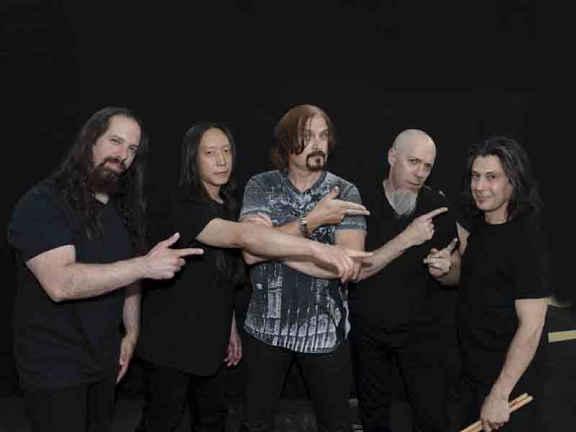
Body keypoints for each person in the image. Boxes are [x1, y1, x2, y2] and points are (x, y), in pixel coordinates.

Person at [135, 121, 370, 432]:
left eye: (226, 151)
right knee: (161, 422)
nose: (221, 161)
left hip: (211, 343)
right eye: (210, 153)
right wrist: (315, 238)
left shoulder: (228, 204)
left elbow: (223, 275)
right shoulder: (183, 205)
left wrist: (230, 326)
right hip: (171, 342)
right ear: (192, 158)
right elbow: (245, 242)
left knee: (212, 422)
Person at [6, 106, 204, 432]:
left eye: (132, 148)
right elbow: (60, 283)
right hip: (52, 365)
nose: (123, 155)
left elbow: (131, 276)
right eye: (115, 141)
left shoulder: (122, 209)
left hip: (103, 359)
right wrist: (144, 265)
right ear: (90, 140)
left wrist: (132, 333)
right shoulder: (43, 202)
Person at [239, 104, 373, 432]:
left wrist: (271, 246)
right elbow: (248, 252)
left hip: (325, 335)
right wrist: (311, 222)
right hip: (264, 331)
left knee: (336, 425)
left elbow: (348, 265)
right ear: (286, 143)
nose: (318, 144)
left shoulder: (345, 191)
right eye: (308, 136)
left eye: (323, 136)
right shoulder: (261, 185)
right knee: (254, 425)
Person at [349, 129, 460, 432]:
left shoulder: (438, 205)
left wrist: (447, 268)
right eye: (413, 162)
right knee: (373, 417)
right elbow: (353, 269)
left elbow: (456, 273)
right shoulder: (360, 202)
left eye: (427, 166)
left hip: (423, 336)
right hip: (369, 332)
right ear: (392, 157)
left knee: (432, 417)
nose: (420, 173)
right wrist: (408, 238)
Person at [455, 137, 549, 432]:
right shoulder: (479, 225)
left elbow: (532, 327)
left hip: (509, 384)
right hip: (473, 376)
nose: (480, 186)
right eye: (475, 176)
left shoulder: (528, 241)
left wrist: (500, 393)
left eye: (491, 177)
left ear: (513, 181)